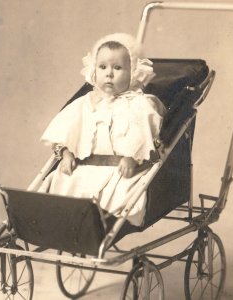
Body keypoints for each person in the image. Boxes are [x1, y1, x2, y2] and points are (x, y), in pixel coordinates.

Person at [39, 33, 166, 226]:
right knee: (60, 182)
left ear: (134, 72)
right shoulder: (85, 103)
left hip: (120, 170)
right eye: (103, 67)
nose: (109, 74)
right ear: (93, 70)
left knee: (123, 192)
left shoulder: (141, 104)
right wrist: (66, 153)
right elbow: (65, 130)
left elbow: (142, 135)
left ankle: (100, 225)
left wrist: (131, 157)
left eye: (118, 68)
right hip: (83, 167)